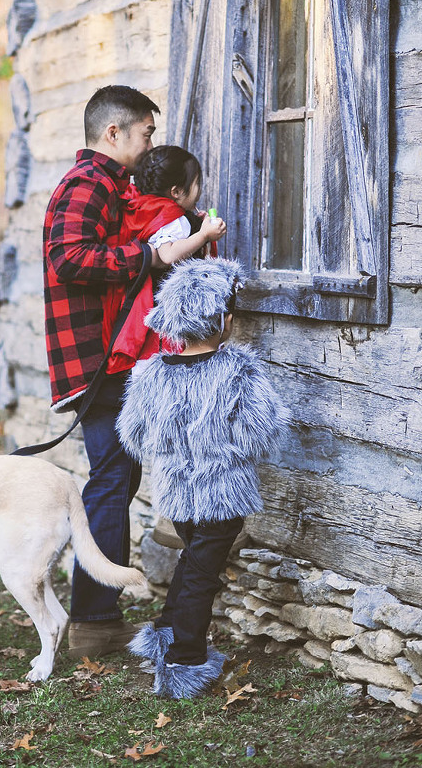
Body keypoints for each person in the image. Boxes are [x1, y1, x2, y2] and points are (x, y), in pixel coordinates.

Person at [116, 258, 290, 698]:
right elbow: (261, 429)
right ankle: (184, 659)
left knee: (192, 565)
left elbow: (134, 433)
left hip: (176, 494)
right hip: (222, 492)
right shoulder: (239, 369)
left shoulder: (151, 373)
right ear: (225, 320)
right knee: (200, 574)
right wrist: (222, 447)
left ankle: (164, 635)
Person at [42, 84, 163, 659]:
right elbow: (68, 258)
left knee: (117, 477)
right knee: (113, 480)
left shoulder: (112, 187)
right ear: (113, 133)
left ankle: (93, 614)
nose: (149, 144)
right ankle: (93, 621)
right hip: (96, 359)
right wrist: (150, 257)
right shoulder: (87, 184)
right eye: (145, 132)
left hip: (109, 356)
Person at [102, 145, 227, 377]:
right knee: (162, 361)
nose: (200, 190)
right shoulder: (173, 218)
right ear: (177, 191)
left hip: (134, 297)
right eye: (197, 183)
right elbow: (168, 254)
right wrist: (203, 236)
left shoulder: (142, 206)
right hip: (159, 303)